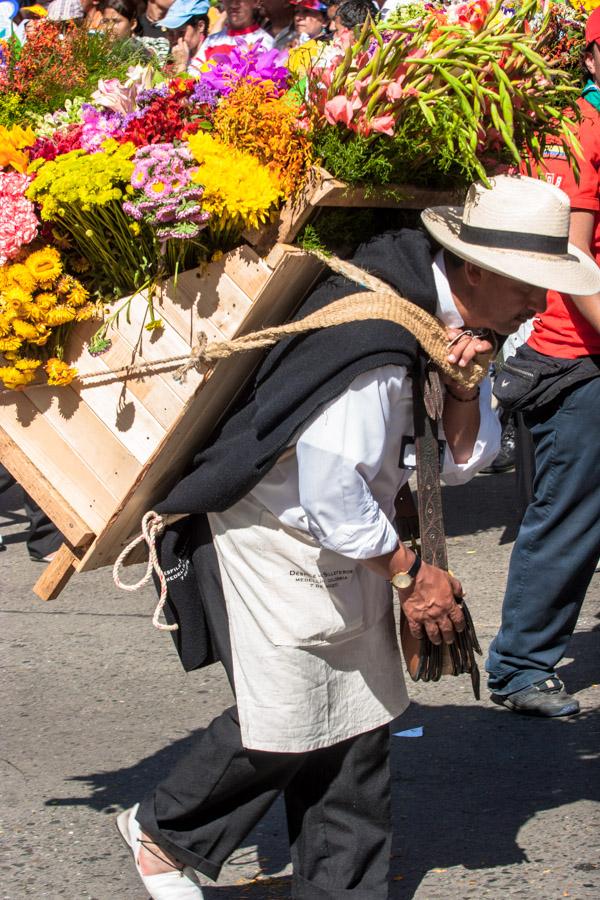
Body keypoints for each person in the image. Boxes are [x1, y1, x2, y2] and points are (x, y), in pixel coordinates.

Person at [115, 175, 600, 900]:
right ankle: (164, 834)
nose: (540, 302)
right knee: (290, 716)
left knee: (357, 719)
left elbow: (465, 463)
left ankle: (342, 890)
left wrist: (464, 386)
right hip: (274, 534)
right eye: (528, 283)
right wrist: (413, 575)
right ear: (473, 267)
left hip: (342, 534)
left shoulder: (444, 315)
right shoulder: (375, 337)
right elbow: (330, 493)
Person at [486, 10, 600, 718]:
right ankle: (520, 666)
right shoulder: (579, 132)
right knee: (570, 516)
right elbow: (576, 263)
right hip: (576, 357)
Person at [193, 0, 273, 63]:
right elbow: (193, 75)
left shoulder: (267, 43)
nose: (234, 4)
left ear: (256, 2)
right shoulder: (210, 42)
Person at [155, 0, 208, 71]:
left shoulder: (215, 53)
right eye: (171, 32)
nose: (176, 39)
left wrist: (181, 65)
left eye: (181, 32)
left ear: (200, 26)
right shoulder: (175, 57)